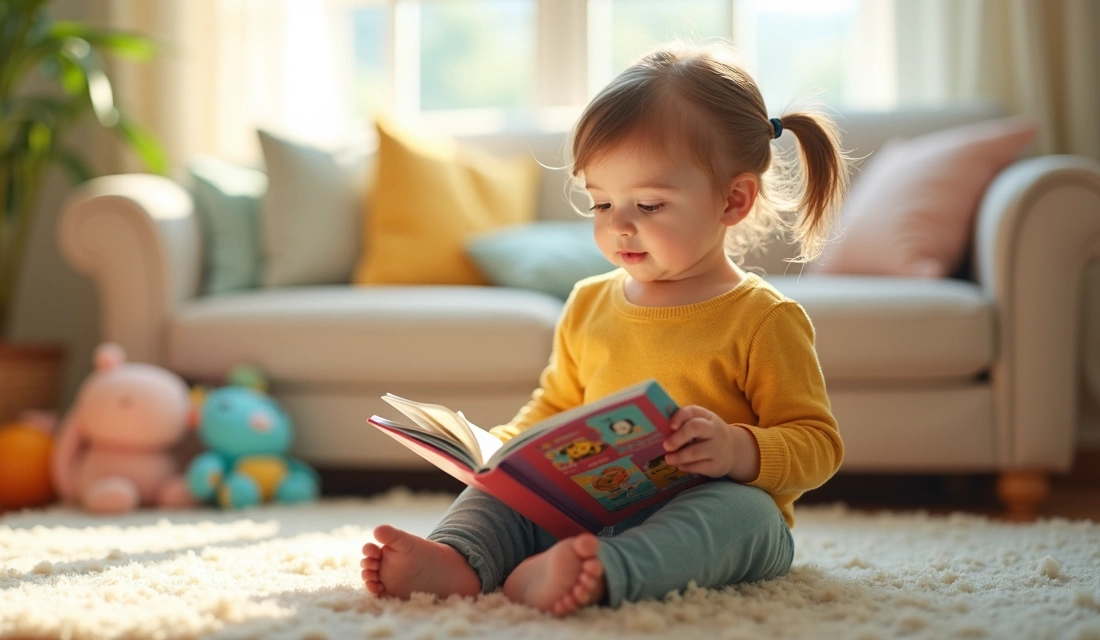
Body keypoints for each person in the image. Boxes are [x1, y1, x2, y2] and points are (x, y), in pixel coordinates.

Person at [360, 40, 847, 616]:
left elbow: (819, 445)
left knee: (744, 515)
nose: (618, 227)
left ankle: (605, 570)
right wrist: (502, 452)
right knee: (494, 492)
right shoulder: (590, 302)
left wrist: (737, 450)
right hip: (586, 509)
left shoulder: (763, 318)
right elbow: (555, 404)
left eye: (648, 206)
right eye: (600, 204)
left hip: (711, 516)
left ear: (733, 200)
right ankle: (458, 560)